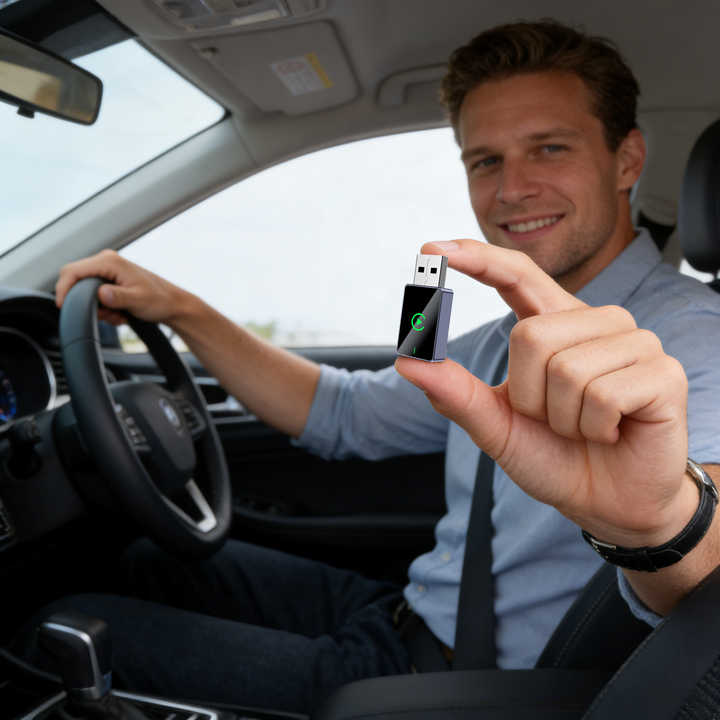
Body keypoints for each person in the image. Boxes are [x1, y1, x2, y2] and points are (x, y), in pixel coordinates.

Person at [48, 19, 720, 714]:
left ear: (627, 161)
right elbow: (343, 413)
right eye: (485, 161)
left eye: (550, 148)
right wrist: (180, 308)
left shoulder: (690, 335)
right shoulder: (498, 338)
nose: (512, 188)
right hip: (408, 611)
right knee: (146, 560)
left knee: (65, 628)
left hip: (474, 684)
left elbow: (714, 553)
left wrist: (659, 523)